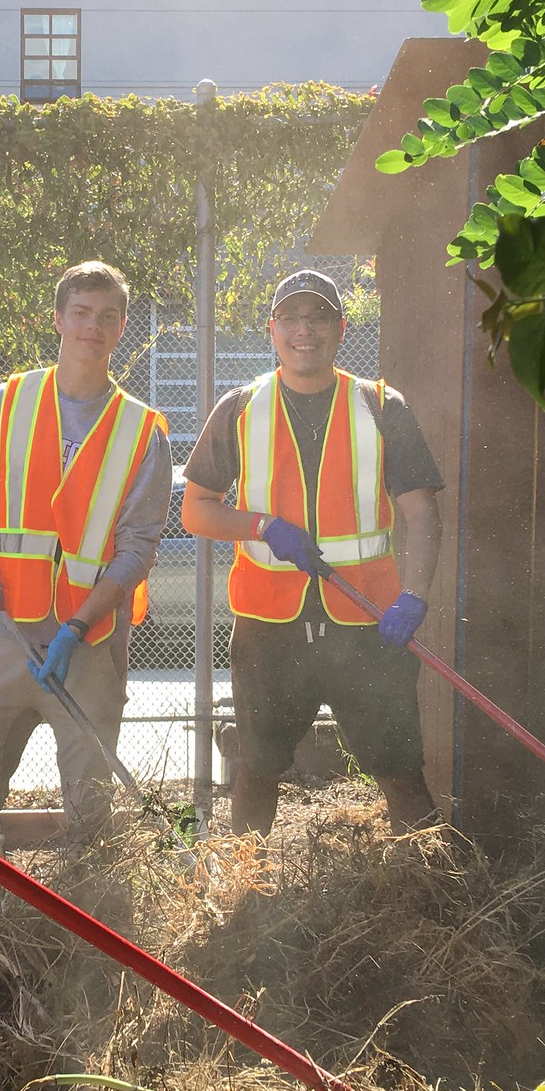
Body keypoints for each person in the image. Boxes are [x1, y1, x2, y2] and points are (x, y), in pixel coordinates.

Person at [181, 270, 444, 835]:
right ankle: (242, 897)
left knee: (401, 774)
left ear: (341, 329)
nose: (306, 330)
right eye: (293, 319)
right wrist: (262, 525)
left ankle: (428, 894)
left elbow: (422, 513)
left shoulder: (381, 405)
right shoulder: (240, 408)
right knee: (255, 771)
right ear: (272, 331)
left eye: (319, 317)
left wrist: (414, 598)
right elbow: (196, 509)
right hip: (267, 627)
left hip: (371, 623)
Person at [0, 261, 172, 895]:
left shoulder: (142, 431)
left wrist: (77, 627)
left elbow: (137, 549)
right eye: (81, 312)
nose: (92, 326)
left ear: (122, 327)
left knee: (92, 813)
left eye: (106, 316)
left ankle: (90, 943)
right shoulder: (7, 403)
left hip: (87, 649)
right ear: (58, 319)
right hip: (2, 634)